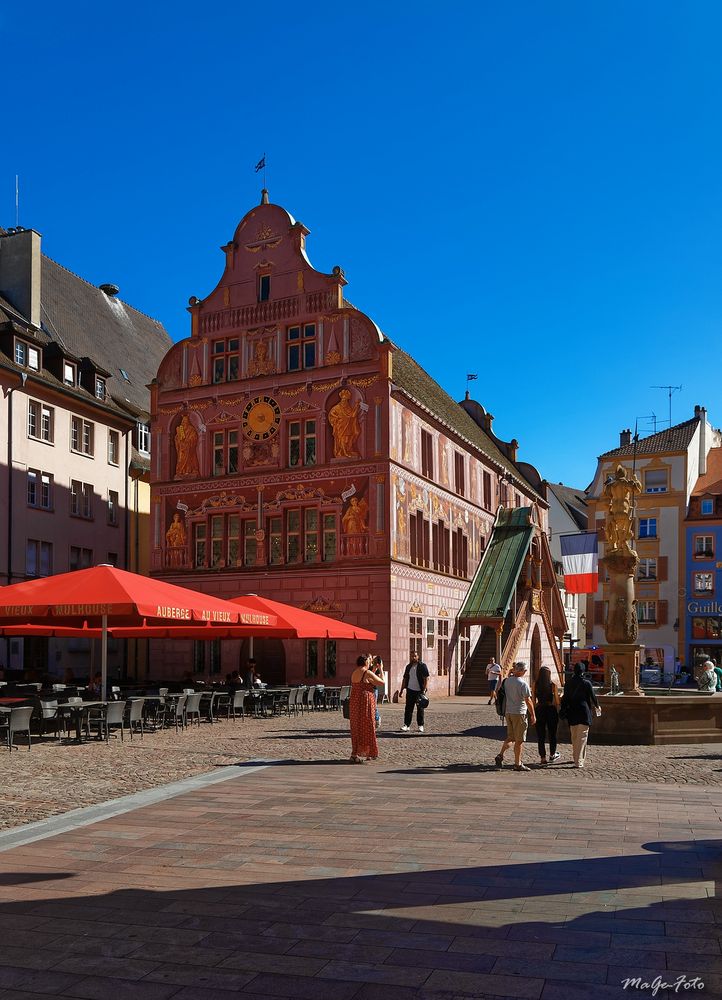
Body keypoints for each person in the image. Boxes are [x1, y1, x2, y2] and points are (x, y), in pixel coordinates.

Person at [494, 661, 536, 772]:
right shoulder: (523, 684)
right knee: (519, 740)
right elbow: (528, 700)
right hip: (519, 713)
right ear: (522, 671)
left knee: (511, 737)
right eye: (525, 670)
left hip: (509, 712)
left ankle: (500, 755)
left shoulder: (507, 681)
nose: (526, 671)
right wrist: (533, 715)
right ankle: (517, 764)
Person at [561, 661, 600, 768]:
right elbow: (593, 697)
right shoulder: (586, 683)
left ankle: (576, 757)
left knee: (574, 736)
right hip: (584, 712)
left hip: (572, 712)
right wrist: (597, 706)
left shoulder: (568, 683)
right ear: (583, 672)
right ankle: (579, 761)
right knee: (582, 737)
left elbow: (565, 698)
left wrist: (562, 710)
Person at [348, 654, 385, 763]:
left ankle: (354, 753)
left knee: (356, 728)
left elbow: (367, 679)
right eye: (369, 660)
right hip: (365, 703)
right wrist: (381, 669)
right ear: (365, 662)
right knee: (369, 725)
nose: (370, 662)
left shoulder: (355, 672)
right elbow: (381, 682)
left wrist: (373, 669)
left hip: (355, 702)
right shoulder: (367, 672)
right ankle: (370, 753)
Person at [532, 665, 561, 765]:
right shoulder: (553, 684)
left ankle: (543, 757)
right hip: (550, 710)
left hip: (540, 709)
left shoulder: (535, 684)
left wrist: (536, 707)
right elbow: (557, 702)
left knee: (541, 735)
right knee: (552, 734)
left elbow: (533, 700)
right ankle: (552, 754)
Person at [399, 650, 429, 733]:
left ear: (418, 657)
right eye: (412, 656)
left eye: (415, 656)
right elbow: (405, 679)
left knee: (420, 708)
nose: (413, 658)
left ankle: (420, 725)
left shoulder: (422, 666)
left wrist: (424, 689)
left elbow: (426, 678)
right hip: (410, 690)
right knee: (408, 708)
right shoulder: (408, 667)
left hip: (419, 690)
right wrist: (401, 690)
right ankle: (406, 725)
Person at [328, 388, 361, 458]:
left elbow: (353, 415)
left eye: (346, 400)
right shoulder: (336, 408)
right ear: (341, 399)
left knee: (348, 439)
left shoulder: (348, 408)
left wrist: (357, 406)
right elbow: (331, 416)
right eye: (343, 399)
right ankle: (344, 452)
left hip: (349, 426)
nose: (344, 401)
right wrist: (336, 420)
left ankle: (347, 450)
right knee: (342, 439)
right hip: (341, 427)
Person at [371, 655, 384, 729]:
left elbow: (380, 680)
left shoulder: (378, 669)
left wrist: (380, 668)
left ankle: (377, 718)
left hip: (374, 689)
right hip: (368, 688)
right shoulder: (369, 668)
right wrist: (374, 669)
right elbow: (369, 676)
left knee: (374, 705)